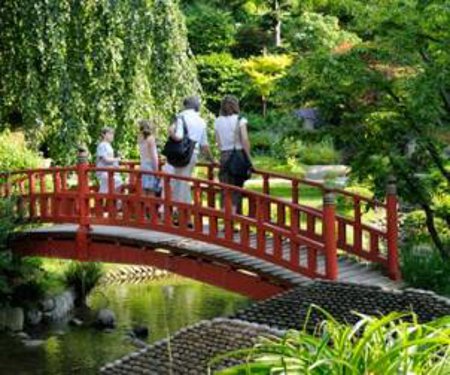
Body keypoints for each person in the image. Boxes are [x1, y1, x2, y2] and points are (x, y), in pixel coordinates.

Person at [168, 96, 214, 207]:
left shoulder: (180, 117)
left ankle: (181, 211)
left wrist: (170, 132)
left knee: (179, 182)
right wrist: (211, 159)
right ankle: (183, 212)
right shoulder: (201, 121)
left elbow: (178, 136)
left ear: (185, 105)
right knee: (183, 182)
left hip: (180, 154)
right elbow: (204, 145)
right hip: (193, 154)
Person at [215, 95, 252, 214]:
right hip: (238, 154)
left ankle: (225, 219)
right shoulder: (240, 120)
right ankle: (234, 218)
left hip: (224, 155)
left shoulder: (218, 121)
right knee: (236, 189)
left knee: (225, 189)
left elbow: (219, 143)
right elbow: (245, 140)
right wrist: (249, 159)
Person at [96, 127, 122, 195]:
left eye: (113, 134)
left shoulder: (108, 145)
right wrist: (117, 159)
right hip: (104, 171)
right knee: (117, 182)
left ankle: (115, 201)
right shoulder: (102, 145)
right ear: (104, 135)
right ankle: (115, 201)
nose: (112, 136)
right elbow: (106, 159)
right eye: (110, 134)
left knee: (118, 183)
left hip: (110, 170)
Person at [138, 119, 160, 196]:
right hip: (149, 166)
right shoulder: (151, 139)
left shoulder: (140, 139)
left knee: (144, 190)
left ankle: (143, 207)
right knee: (151, 191)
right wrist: (156, 171)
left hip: (143, 164)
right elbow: (154, 156)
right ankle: (150, 207)